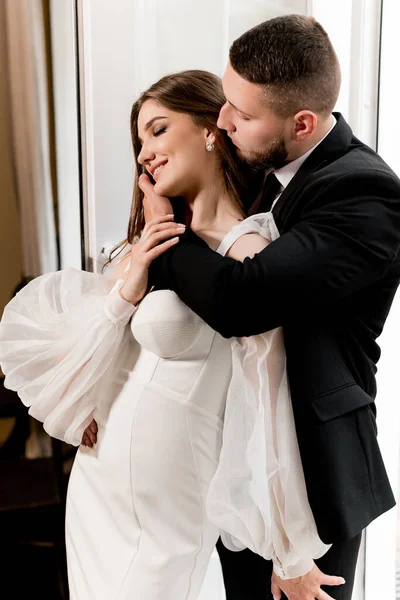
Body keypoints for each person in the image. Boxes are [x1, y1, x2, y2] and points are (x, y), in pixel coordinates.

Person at [0, 70, 340, 600]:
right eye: (140, 142)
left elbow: (271, 399)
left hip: (174, 502)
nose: (145, 153)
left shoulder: (250, 253)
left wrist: (290, 547)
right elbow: (62, 346)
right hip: (99, 486)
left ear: (211, 128)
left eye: (158, 130)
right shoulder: (151, 242)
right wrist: (128, 285)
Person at [138, 15, 400, 600]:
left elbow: (241, 300)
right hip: (238, 466)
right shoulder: (259, 172)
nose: (222, 121)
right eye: (226, 101)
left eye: (244, 114)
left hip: (310, 473)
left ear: (302, 123)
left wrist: (166, 234)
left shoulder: (364, 193)